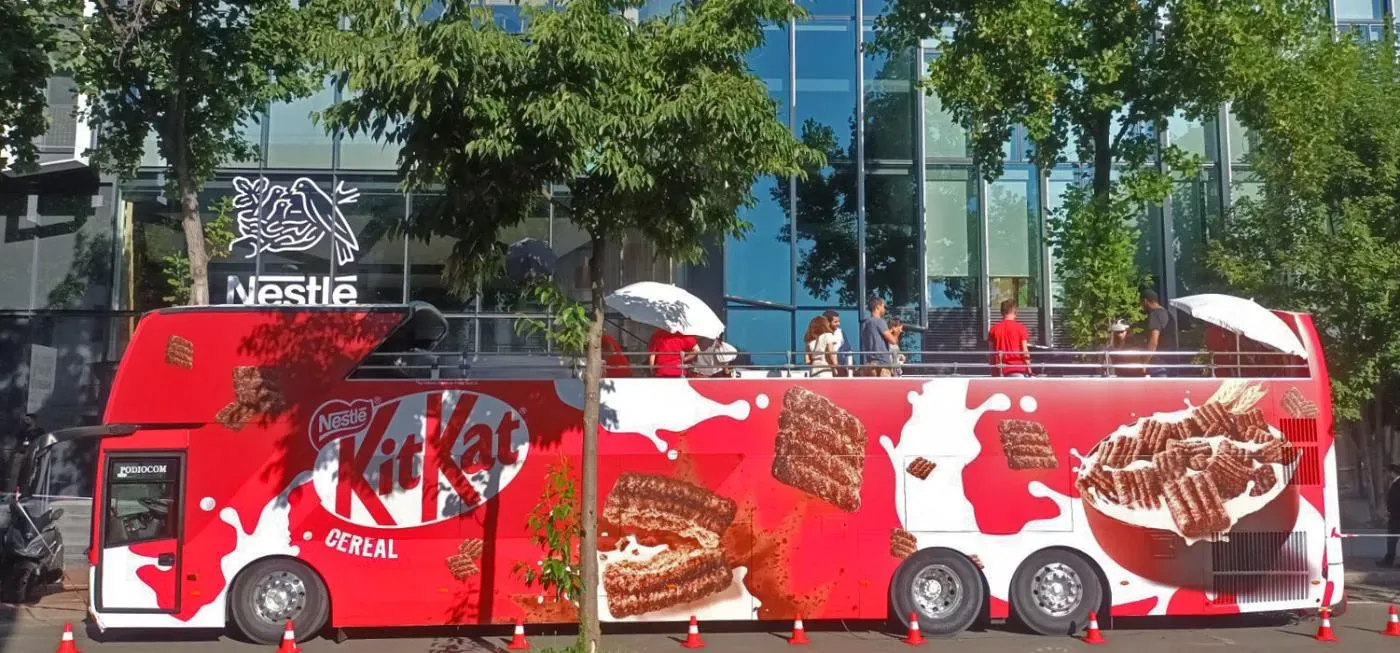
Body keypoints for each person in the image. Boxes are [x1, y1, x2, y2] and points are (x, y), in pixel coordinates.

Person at [987, 300, 1031, 377]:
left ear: (1001, 312)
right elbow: (1025, 351)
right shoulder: (1021, 328)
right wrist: (1029, 370)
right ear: (1015, 312)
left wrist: (993, 371)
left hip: (999, 370)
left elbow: (991, 354)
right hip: (1017, 369)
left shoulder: (993, 329)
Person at [859, 297, 898, 377]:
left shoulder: (864, 324)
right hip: (882, 364)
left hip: (869, 363)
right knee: (884, 389)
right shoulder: (879, 321)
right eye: (883, 307)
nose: (884, 309)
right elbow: (893, 341)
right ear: (878, 307)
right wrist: (896, 332)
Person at [1140, 289, 1174, 376]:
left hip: (1158, 363)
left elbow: (1153, 340)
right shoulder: (1168, 314)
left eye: (1141, 303)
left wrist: (1145, 362)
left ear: (1145, 301)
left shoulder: (1154, 314)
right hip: (1171, 362)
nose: (1141, 306)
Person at [823, 310, 854, 375]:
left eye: (839, 321)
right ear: (828, 322)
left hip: (840, 368)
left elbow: (848, 350)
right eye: (835, 322)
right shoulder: (821, 334)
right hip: (825, 369)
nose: (838, 324)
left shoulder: (840, 332)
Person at [1383, 464, 1400, 567]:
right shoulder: (1395, 483)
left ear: (1392, 472)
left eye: (1388, 472)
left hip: (1397, 517)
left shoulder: (1398, 484)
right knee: (1391, 539)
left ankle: (1388, 560)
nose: (1387, 475)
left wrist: (1392, 512)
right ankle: (1388, 560)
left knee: (1392, 539)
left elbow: (1397, 500)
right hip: (1394, 516)